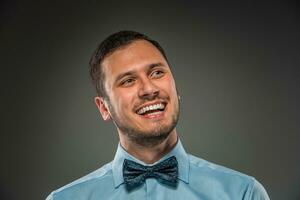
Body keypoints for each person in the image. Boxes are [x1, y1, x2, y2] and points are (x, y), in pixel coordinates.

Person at [46, 31, 270, 200]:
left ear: (176, 88)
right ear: (104, 108)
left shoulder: (244, 193)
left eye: (157, 73)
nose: (149, 89)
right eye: (128, 81)